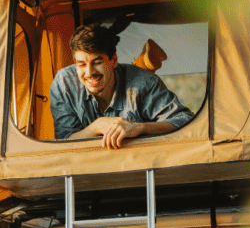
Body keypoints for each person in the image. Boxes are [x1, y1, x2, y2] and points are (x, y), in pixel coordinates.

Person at [49, 23, 194, 149]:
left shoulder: (145, 82)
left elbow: (184, 119)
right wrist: (96, 127)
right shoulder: (63, 84)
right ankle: (142, 60)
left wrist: (140, 127)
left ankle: (143, 62)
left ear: (114, 60)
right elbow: (63, 142)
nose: (89, 72)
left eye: (97, 62)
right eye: (81, 64)